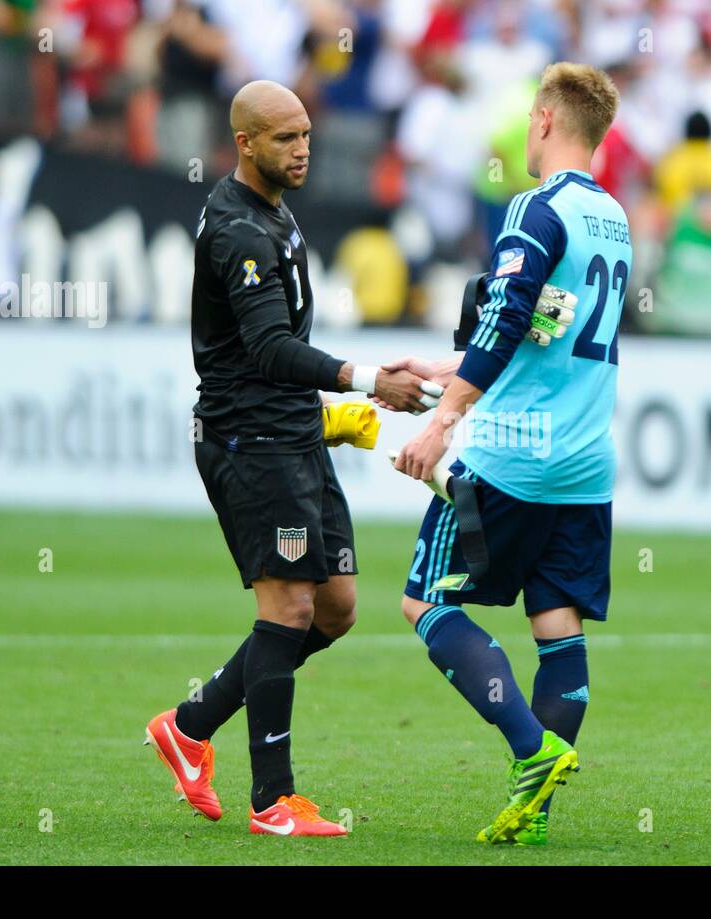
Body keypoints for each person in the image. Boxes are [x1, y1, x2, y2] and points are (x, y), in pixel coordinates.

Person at [143, 80, 439, 838]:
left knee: (335, 609)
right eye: (284, 138)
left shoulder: (273, 209)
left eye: (305, 133)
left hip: (295, 435)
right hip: (251, 442)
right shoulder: (240, 230)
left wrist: (338, 413)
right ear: (245, 144)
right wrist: (371, 384)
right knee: (288, 608)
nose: (302, 148)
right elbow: (271, 348)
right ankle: (272, 800)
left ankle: (189, 725)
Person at [390, 62, 630, 846]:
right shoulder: (614, 220)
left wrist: (440, 425)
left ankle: (533, 752)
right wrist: (446, 369)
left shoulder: (537, 206)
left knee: (427, 604)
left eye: (530, 120)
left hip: (513, 455)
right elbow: (545, 335)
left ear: (546, 121)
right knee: (556, 623)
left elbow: (503, 325)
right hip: (586, 460)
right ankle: (535, 817)